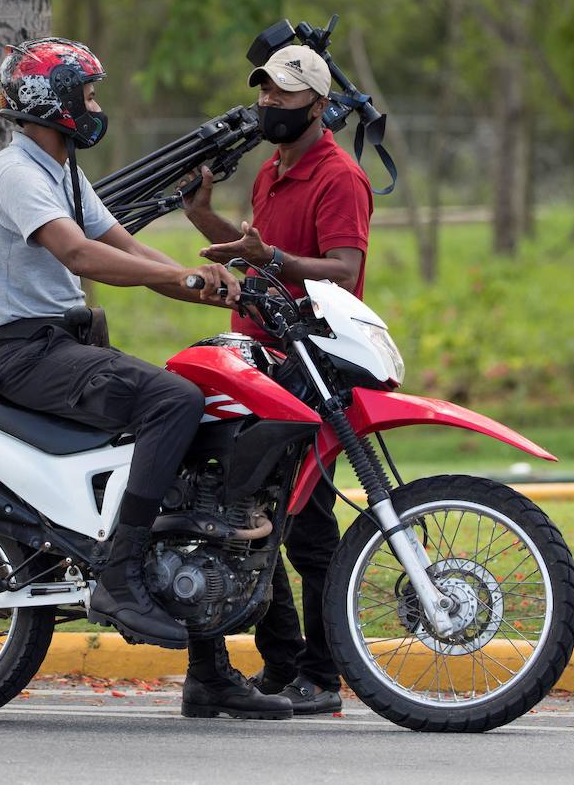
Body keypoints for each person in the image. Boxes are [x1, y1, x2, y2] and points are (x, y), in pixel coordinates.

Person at [0, 37, 252, 657]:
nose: (96, 106)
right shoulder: (14, 174)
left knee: (205, 406)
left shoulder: (61, 172)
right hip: (28, 356)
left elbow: (125, 246)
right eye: (88, 94)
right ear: (56, 102)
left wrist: (214, 288)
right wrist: (179, 278)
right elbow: (80, 254)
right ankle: (119, 575)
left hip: (61, 346)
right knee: (174, 401)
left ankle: (207, 658)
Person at [179, 44, 374, 718]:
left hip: (313, 362)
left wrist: (275, 259)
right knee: (253, 514)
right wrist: (203, 217)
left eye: (286, 97)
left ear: (319, 106)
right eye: (265, 94)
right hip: (259, 364)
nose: (270, 105)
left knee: (308, 524)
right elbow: (258, 259)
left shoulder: (339, 176)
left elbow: (344, 270)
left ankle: (320, 674)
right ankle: (286, 661)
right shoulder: (270, 172)